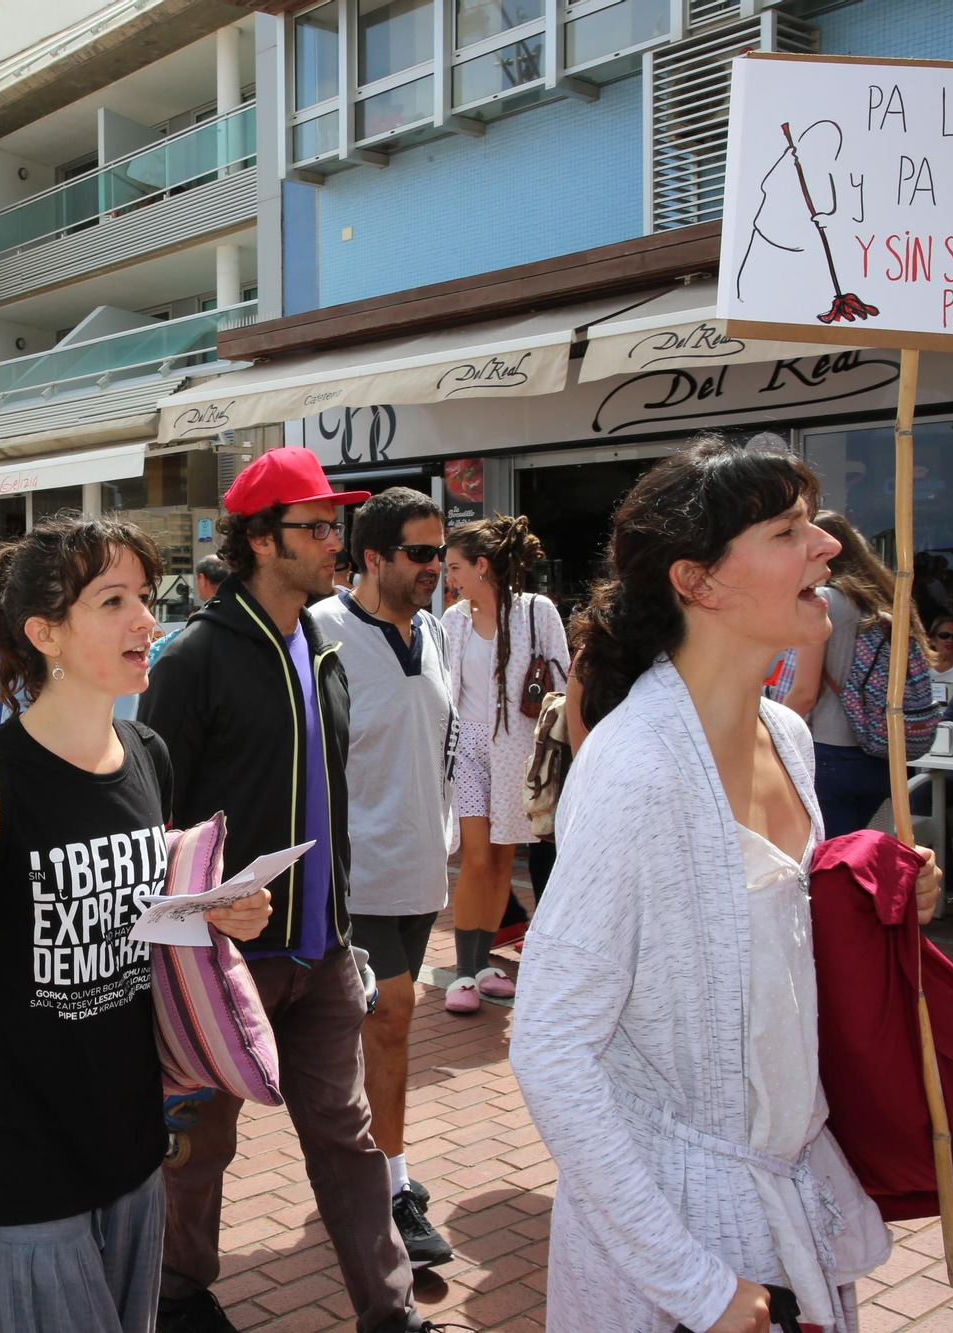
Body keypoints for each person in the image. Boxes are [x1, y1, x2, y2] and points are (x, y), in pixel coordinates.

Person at [514, 436, 940, 1333]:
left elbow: (772, 955)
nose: (827, 545)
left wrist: (878, 905)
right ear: (698, 582)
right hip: (685, 1239)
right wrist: (696, 1285)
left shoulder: (788, 737)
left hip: (790, 1208)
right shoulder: (638, 771)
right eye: (788, 529)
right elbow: (552, 1045)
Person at [0, 515, 270, 1332]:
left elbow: (136, 927)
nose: (147, 618)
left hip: (130, 1150)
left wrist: (217, 913)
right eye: (113, 600)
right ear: (46, 634)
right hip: (15, 1169)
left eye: (145, 595)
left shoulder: (148, 753)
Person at [139, 448, 434, 1333]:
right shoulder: (191, 658)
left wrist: (341, 930)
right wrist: (200, 914)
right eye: (316, 526)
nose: (334, 542)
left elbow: (330, 804)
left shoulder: (323, 646)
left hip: (320, 949)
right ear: (262, 540)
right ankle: (179, 1291)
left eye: (332, 525)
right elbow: (150, 819)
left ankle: (392, 1313)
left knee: (347, 1139)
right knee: (199, 1147)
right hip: (225, 959)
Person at [307, 487, 457, 1269]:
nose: (437, 566)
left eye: (441, 550)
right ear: (372, 557)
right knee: (392, 1012)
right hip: (355, 872)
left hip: (422, 868)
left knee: (387, 1030)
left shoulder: (433, 632)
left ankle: (375, 1165)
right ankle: (390, 1185)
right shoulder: (322, 630)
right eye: (420, 553)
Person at [438, 515, 566, 1013]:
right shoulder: (453, 620)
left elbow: (561, 677)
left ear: (482, 566)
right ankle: (463, 971)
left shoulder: (538, 612)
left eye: (455, 567)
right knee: (473, 859)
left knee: (497, 861)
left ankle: (486, 963)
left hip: (519, 750)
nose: (449, 577)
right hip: (467, 749)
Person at [783, 511, 928, 839]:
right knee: (857, 857)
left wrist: (769, 743)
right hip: (882, 757)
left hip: (831, 753)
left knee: (830, 865)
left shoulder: (823, 602)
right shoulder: (886, 601)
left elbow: (805, 692)